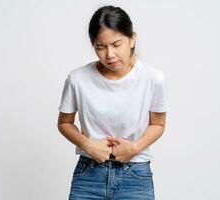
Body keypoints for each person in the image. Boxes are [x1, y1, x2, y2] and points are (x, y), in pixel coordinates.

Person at [57, 5, 170, 200]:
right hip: (89, 175)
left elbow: (158, 124)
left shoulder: (153, 78)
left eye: (116, 44)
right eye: (100, 47)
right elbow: (64, 122)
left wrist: (134, 148)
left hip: (135, 175)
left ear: (132, 38)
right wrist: (88, 145)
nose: (109, 55)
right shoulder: (78, 79)